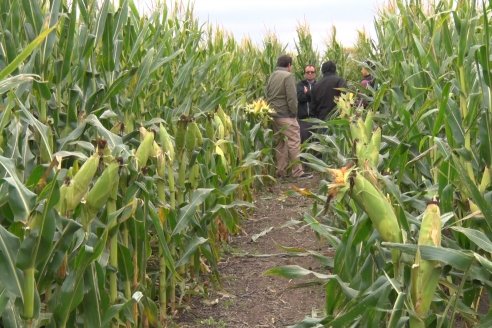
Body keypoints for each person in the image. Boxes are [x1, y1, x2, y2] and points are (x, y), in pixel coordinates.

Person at [266, 55, 312, 179]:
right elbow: (292, 97)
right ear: (289, 65)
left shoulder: (272, 75)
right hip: (286, 114)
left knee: (280, 143)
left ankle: (281, 172)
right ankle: (297, 172)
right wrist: (294, 113)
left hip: (273, 114)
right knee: (294, 141)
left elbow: (267, 93)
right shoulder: (288, 76)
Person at [296, 65, 317, 143]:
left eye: (312, 72)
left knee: (315, 141)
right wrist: (311, 96)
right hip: (303, 119)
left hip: (315, 118)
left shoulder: (318, 85)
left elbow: (317, 99)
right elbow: (300, 98)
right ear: (304, 74)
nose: (310, 74)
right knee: (304, 142)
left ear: (315, 74)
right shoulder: (300, 85)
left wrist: (307, 93)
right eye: (308, 72)